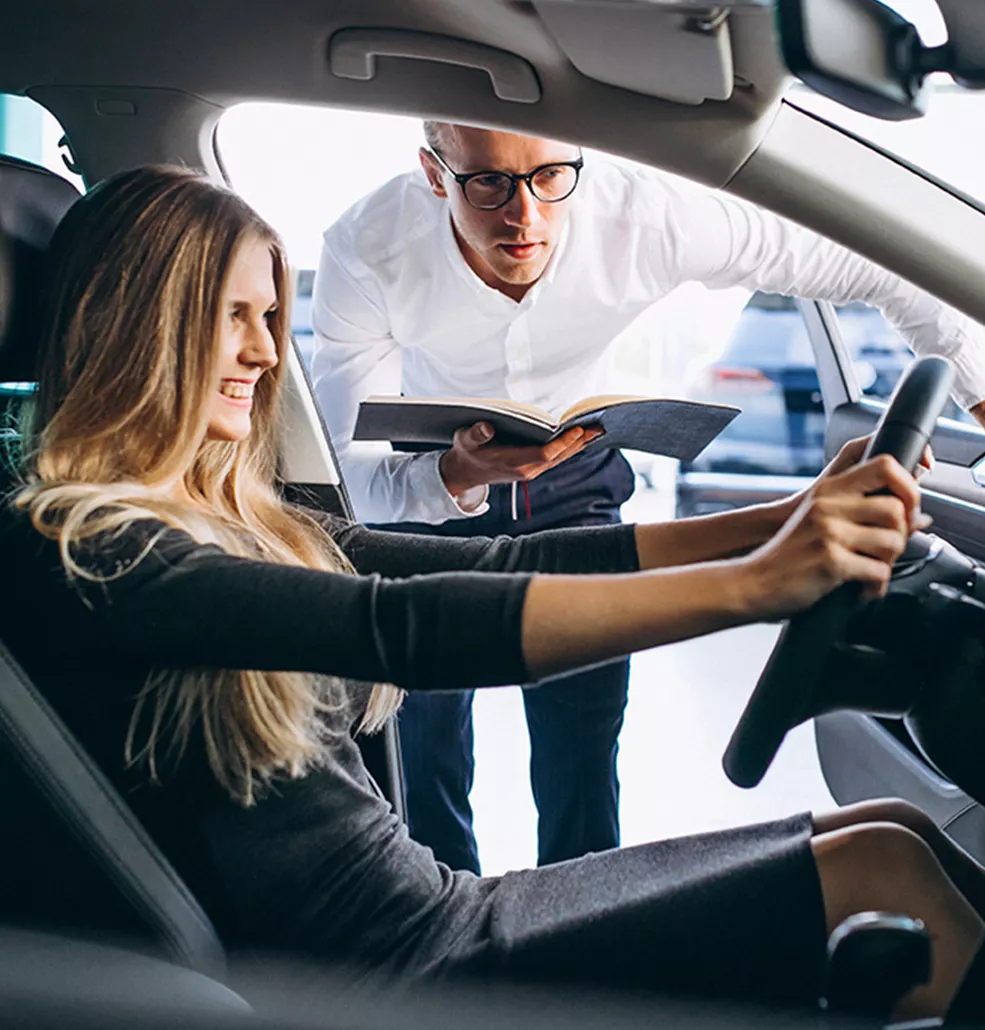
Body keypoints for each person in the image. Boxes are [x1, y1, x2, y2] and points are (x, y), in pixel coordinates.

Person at [7, 163, 985, 1024]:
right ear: (141, 323)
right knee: (874, 878)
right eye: (233, 317)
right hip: (394, 973)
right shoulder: (89, 548)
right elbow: (403, 628)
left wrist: (780, 519)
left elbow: (493, 570)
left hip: (433, 914)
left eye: (270, 317)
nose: (266, 353)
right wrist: (758, 583)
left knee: (887, 834)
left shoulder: (233, 517)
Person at [310, 123, 985, 874]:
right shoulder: (367, 245)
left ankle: (580, 924)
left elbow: (879, 261)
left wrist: (979, 397)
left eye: (548, 177)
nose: (525, 214)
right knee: (424, 740)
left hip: (578, 473)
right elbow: (349, 470)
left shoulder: (651, 215)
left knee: (585, 733)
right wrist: (457, 477)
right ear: (436, 175)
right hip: (429, 483)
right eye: (489, 183)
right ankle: (449, 930)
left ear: (578, 159)